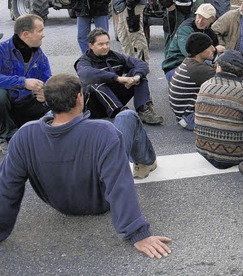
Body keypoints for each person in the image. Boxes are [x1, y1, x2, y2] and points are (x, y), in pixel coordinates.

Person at [0, 74, 171, 258]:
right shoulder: (104, 133)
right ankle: (147, 161)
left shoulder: (24, 135)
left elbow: (7, 188)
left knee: (51, 120)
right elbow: (118, 184)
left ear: (47, 101)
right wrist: (138, 233)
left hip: (58, 204)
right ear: (80, 98)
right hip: (100, 202)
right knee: (127, 116)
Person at [74, 28, 163, 125]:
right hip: (96, 106)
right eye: (101, 44)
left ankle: (144, 110)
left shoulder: (114, 56)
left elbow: (141, 64)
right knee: (95, 83)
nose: (105, 47)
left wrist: (135, 78)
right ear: (91, 46)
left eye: (107, 43)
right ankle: (122, 112)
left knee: (138, 75)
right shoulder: (83, 61)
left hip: (116, 97)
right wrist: (118, 78)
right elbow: (87, 74)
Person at [0, 15, 50, 149]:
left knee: (56, 98)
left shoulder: (40, 55)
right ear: (25, 34)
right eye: (40, 31)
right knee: (0, 95)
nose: (43, 35)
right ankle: (7, 135)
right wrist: (23, 82)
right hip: (7, 105)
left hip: (26, 103)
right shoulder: (2, 50)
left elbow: (48, 80)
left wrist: (45, 92)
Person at [168, 33, 217, 131]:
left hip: (184, 116)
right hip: (190, 118)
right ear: (200, 51)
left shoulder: (190, 62)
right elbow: (227, 78)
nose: (213, 49)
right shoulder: (197, 69)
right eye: (209, 46)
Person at [161, 3, 221, 81]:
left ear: (212, 20)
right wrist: (215, 50)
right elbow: (189, 53)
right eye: (199, 16)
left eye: (204, 18)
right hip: (175, 67)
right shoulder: (186, 28)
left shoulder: (211, 31)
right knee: (210, 77)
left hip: (197, 65)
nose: (200, 21)